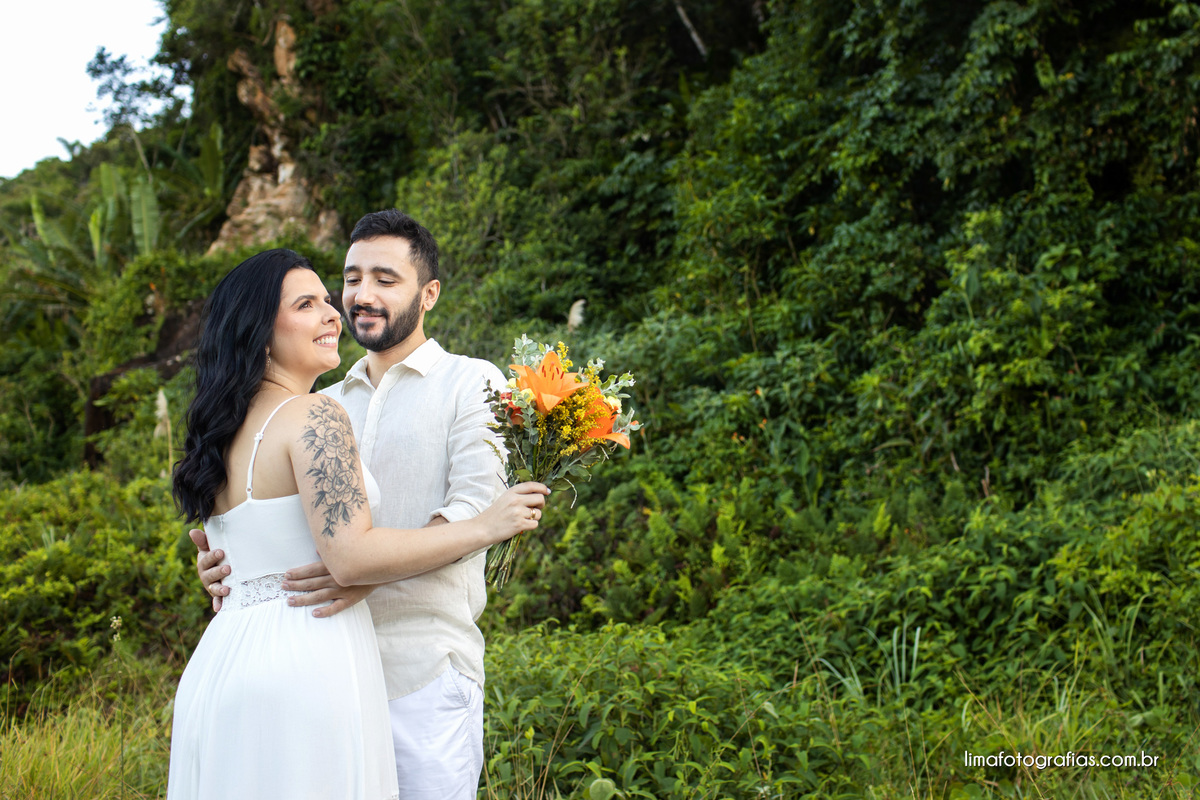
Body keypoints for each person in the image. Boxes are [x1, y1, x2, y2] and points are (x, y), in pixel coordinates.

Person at [169, 248, 547, 800]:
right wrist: (490, 526)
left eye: (327, 299)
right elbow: (349, 557)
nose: (336, 311)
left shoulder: (226, 429)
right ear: (258, 331)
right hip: (308, 658)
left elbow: (255, 537)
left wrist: (235, 570)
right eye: (309, 303)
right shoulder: (318, 410)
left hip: (227, 660)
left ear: (429, 293)